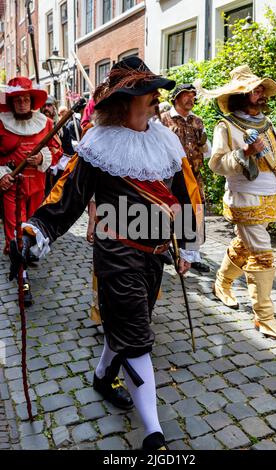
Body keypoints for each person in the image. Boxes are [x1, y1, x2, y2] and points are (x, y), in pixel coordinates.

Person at [12, 57, 204, 450]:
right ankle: (154, 435)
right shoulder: (98, 145)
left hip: (154, 255)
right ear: (123, 101)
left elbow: (186, 194)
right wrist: (34, 232)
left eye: (154, 93)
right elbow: (67, 197)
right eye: (145, 94)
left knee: (126, 325)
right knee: (137, 336)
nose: (155, 100)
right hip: (116, 253)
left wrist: (187, 245)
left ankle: (102, 377)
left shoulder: (165, 139)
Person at [199, 65, 276, 344]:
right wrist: (244, 152)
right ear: (240, 96)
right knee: (263, 254)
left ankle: (222, 282)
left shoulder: (268, 125)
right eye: (254, 90)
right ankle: (265, 317)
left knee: (245, 245)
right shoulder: (226, 125)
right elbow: (217, 164)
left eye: (260, 90)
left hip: (269, 196)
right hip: (244, 198)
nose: (260, 94)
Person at [0, 77, 62, 304]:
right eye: (18, 100)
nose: (22, 103)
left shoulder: (45, 123)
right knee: (16, 231)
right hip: (11, 186)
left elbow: (56, 149)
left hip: (37, 185)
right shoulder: (0, 122)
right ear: (12, 102)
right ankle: (22, 278)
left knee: (33, 228)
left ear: (32, 100)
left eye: (26, 99)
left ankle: (28, 254)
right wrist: (1, 175)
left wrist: (41, 157)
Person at [161, 83, 211, 273]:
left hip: (194, 177)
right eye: (186, 95)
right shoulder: (163, 120)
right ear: (176, 98)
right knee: (171, 213)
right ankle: (165, 248)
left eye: (193, 95)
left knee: (194, 214)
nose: (191, 98)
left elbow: (207, 151)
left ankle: (191, 255)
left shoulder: (198, 121)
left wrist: (204, 145)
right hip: (171, 178)